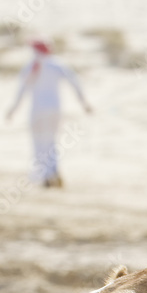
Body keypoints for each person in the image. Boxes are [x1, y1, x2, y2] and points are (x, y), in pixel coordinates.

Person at [6, 40, 91, 187]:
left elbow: (22, 90)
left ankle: (45, 176)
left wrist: (13, 110)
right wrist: (84, 103)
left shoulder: (31, 66)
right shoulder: (56, 64)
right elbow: (74, 82)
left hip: (37, 110)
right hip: (54, 109)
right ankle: (53, 172)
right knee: (51, 142)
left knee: (39, 143)